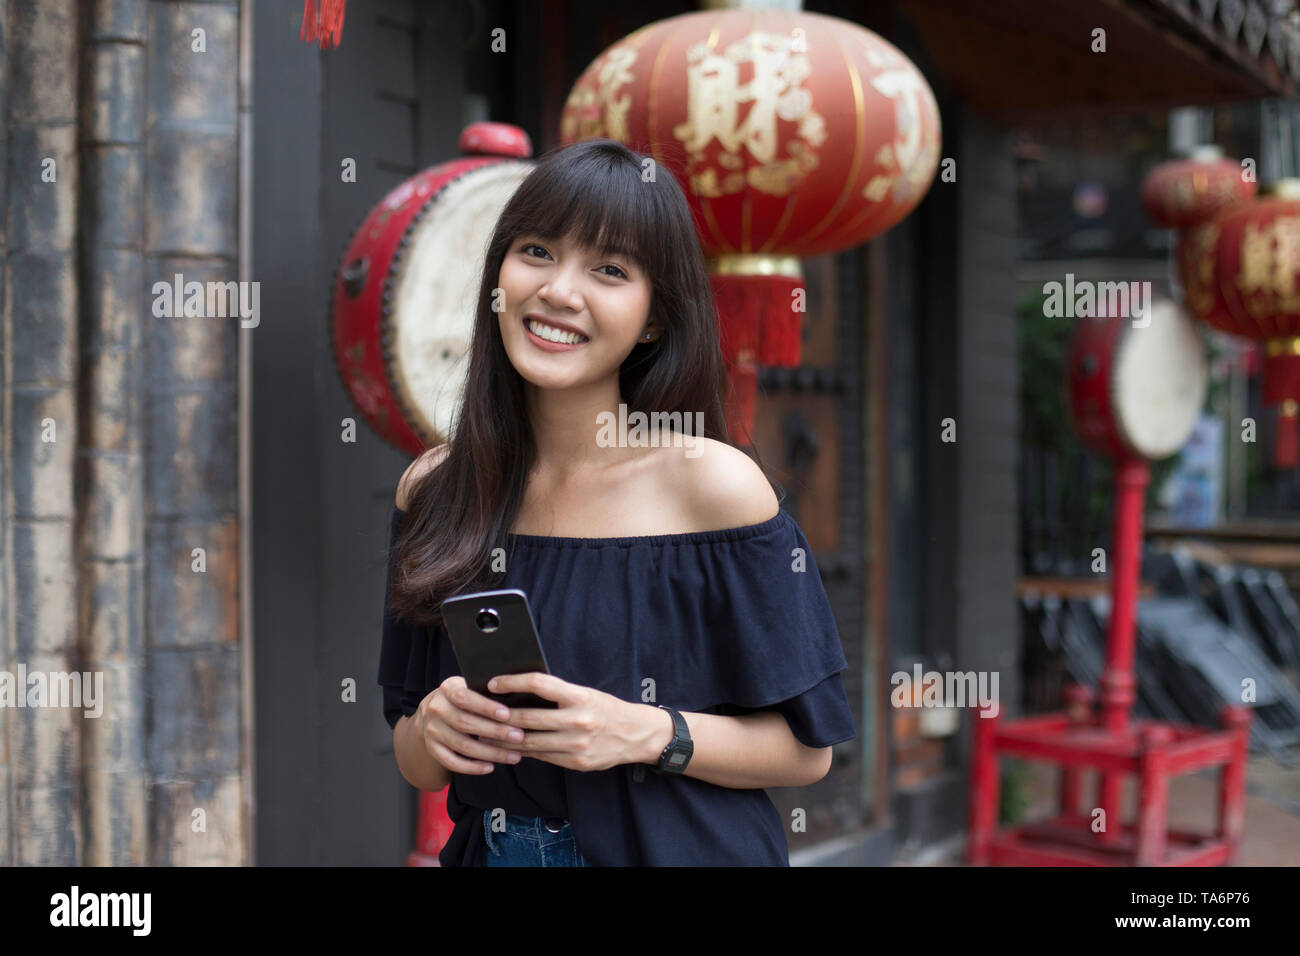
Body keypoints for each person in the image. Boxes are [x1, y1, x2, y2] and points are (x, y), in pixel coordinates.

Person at [377, 138, 856, 866]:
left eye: (608, 269)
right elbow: (415, 759)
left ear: (654, 319)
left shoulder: (714, 487)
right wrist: (433, 728)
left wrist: (644, 732)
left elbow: (805, 751)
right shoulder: (437, 488)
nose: (560, 291)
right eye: (536, 251)